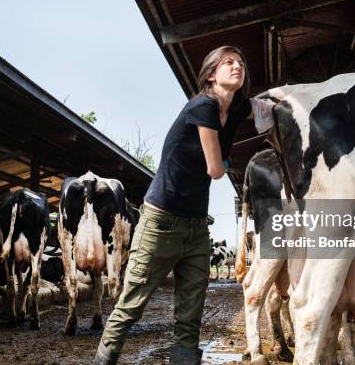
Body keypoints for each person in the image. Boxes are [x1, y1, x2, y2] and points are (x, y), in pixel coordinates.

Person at [94, 46, 252, 365]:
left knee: (190, 316)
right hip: (161, 223)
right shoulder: (203, 105)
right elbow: (215, 169)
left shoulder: (235, 109)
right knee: (132, 305)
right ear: (210, 74)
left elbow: (263, 109)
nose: (238, 66)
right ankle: (103, 360)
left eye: (241, 62)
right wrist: (225, 158)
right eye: (228, 62)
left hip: (196, 228)